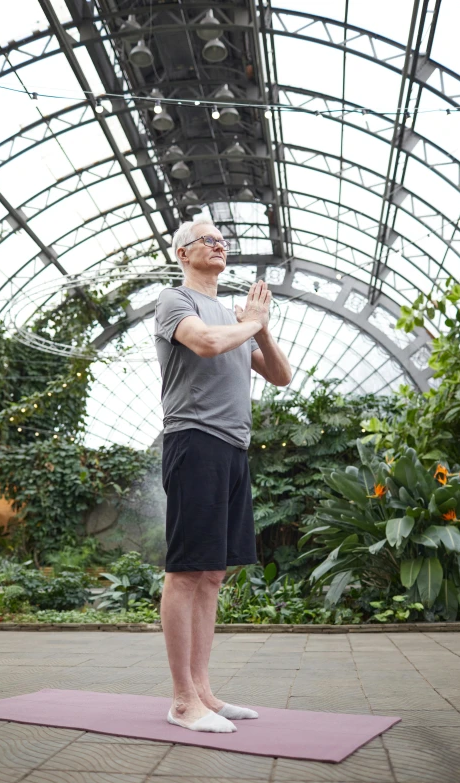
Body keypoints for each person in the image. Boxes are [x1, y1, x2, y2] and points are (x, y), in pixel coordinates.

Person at [154, 219, 292, 733]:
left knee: (213, 573)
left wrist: (262, 324)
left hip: (234, 447)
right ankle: (183, 701)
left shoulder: (237, 317)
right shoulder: (176, 301)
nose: (220, 244)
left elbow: (280, 375)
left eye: (223, 240)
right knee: (187, 569)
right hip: (194, 439)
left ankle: (205, 691)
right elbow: (208, 344)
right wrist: (250, 321)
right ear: (183, 252)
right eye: (208, 240)